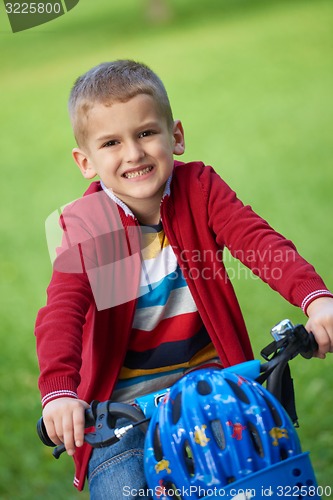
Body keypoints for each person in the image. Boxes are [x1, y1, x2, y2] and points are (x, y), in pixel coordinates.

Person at [35, 60, 333, 498]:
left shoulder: (200, 189)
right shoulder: (90, 223)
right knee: (125, 486)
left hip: (215, 389)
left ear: (175, 136)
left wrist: (316, 299)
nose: (133, 153)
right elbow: (63, 307)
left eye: (146, 133)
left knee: (269, 478)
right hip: (123, 416)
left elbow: (258, 243)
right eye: (112, 142)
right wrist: (59, 390)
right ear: (86, 161)